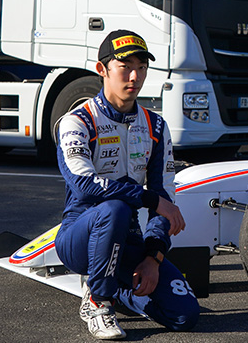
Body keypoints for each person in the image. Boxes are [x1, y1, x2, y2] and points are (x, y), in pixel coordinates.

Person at [55, 30, 199, 339]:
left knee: (185, 314)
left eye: (142, 67)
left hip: (127, 240)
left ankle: (118, 290)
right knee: (116, 208)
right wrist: (147, 198)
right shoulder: (77, 122)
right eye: (125, 66)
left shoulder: (155, 126)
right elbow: (82, 185)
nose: (134, 76)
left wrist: (153, 258)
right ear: (102, 69)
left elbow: (165, 196)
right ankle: (97, 298)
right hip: (78, 235)